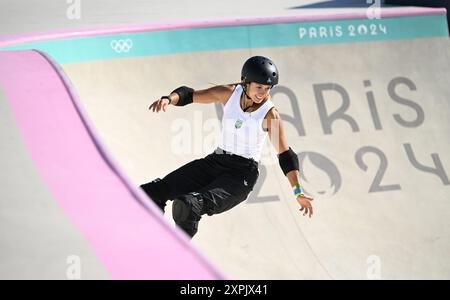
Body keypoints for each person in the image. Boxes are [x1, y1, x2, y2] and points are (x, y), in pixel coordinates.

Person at [141, 56, 314, 239]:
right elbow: (189, 94)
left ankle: (177, 255)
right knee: (151, 193)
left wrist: (298, 192)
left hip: (240, 176)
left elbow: (286, 155)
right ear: (245, 82)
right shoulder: (229, 93)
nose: (262, 93)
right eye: (259, 87)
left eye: (267, 88)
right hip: (215, 162)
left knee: (188, 206)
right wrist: (168, 99)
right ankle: (145, 237)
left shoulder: (271, 115)